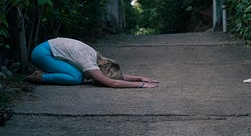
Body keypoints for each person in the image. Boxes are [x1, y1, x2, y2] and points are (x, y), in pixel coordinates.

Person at [26, 37, 158, 88]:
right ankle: (40, 77)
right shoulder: (89, 63)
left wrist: (139, 77)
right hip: (42, 53)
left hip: (46, 49)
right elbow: (112, 82)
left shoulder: (98, 59)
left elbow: (113, 75)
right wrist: (139, 85)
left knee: (78, 74)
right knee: (76, 77)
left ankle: (44, 71)